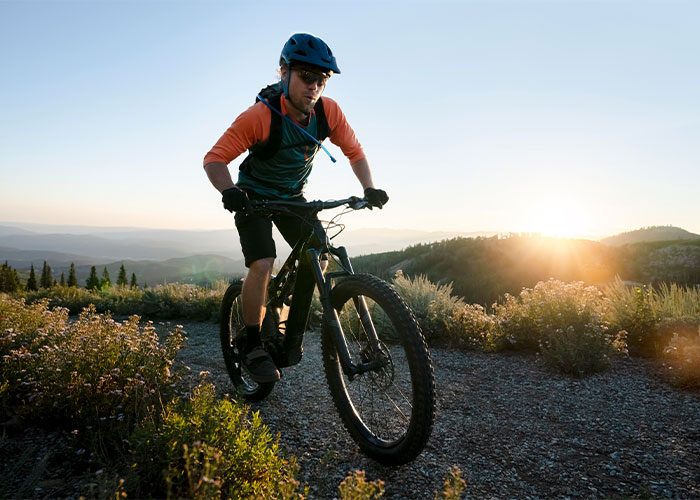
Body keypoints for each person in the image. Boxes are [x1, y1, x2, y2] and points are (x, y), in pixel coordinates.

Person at [203, 33, 388, 383]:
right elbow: (214, 159)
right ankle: (252, 342)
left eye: (321, 80)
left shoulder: (327, 112)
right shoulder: (259, 117)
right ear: (284, 72)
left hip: (291, 198)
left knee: (317, 253)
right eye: (306, 77)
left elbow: (355, 152)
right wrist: (229, 191)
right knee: (262, 262)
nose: (314, 87)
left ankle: (288, 328)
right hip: (252, 197)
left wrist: (369, 188)